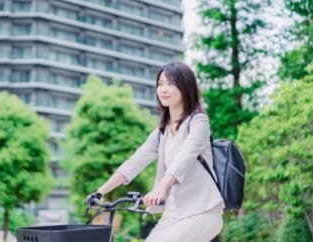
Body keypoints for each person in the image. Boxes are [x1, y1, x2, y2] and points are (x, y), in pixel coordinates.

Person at [87, 61, 224, 242]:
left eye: (171, 84)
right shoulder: (161, 133)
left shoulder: (198, 122)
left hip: (202, 212)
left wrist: (161, 187)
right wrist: (100, 192)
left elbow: (185, 157)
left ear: (186, 87)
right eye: (160, 84)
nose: (163, 89)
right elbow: (135, 162)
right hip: (173, 215)